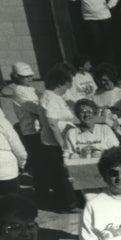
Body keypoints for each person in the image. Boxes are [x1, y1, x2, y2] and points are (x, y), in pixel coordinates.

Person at [37, 66, 77, 212]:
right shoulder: (53, 98)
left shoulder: (48, 96)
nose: (68, 88)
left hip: (51, 142)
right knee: (63, 174)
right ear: (60, 83)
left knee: (58, 174)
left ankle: (64, 203)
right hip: (56, 143)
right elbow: (53, 123)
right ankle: (69, 205)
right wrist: (62, 145)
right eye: (68, 84)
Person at [92, 64, 121, 142]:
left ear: (112, 78)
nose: (103, 83)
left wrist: (119, 121)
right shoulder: (96, 95)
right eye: (101, 80)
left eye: (105, 80)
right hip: (104, 138)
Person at [10, 63, 42, 176]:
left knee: (43, 161)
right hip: (31, 131)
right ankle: (40, 188)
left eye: (30, 75)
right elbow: (35, 108)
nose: (30, 78)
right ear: (16, 77)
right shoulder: (18, 90)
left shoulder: (33, 89)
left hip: (41, 129)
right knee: (38, 161)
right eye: (25, 76)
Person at [0, 111, 27, 195]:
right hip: (5, 167)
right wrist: (22, 163)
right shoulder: (3, 122)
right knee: (10, 198)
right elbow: (17, 146)